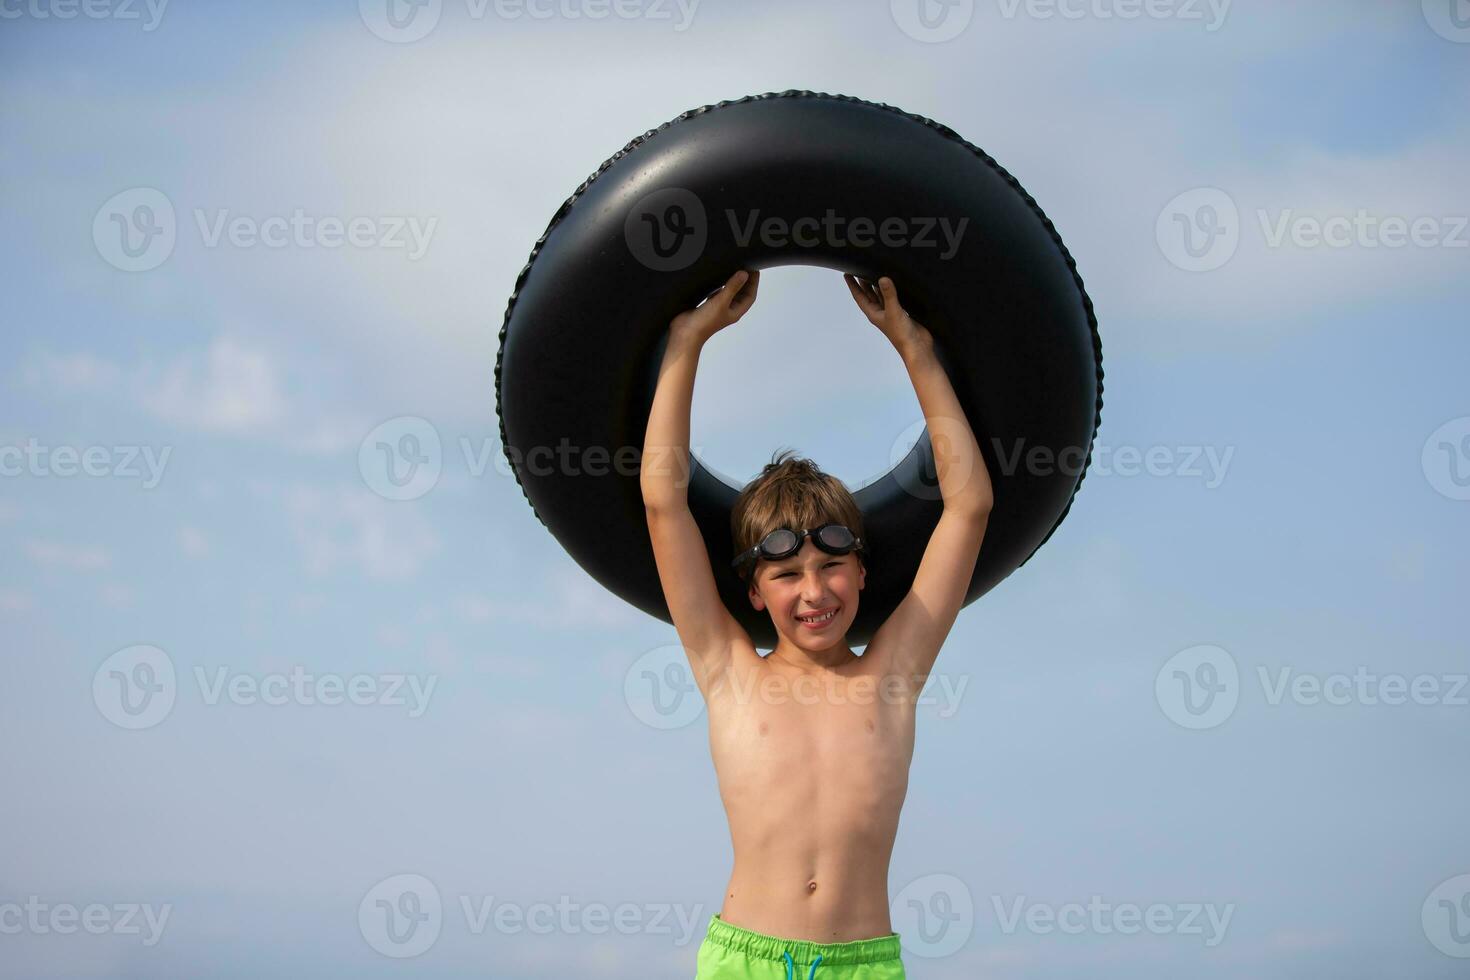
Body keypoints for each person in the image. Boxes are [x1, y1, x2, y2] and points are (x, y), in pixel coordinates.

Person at [640, 269, 994, 980]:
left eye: (832, 567)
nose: (814, 592)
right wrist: (687, 343)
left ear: (862, 572)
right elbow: (663, 503)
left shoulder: (890, 676)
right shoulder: (729, 673)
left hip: (862, 962)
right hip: (746, 959)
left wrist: (914, 347)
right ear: (753, 593)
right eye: (786, 575)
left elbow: (970, 506)